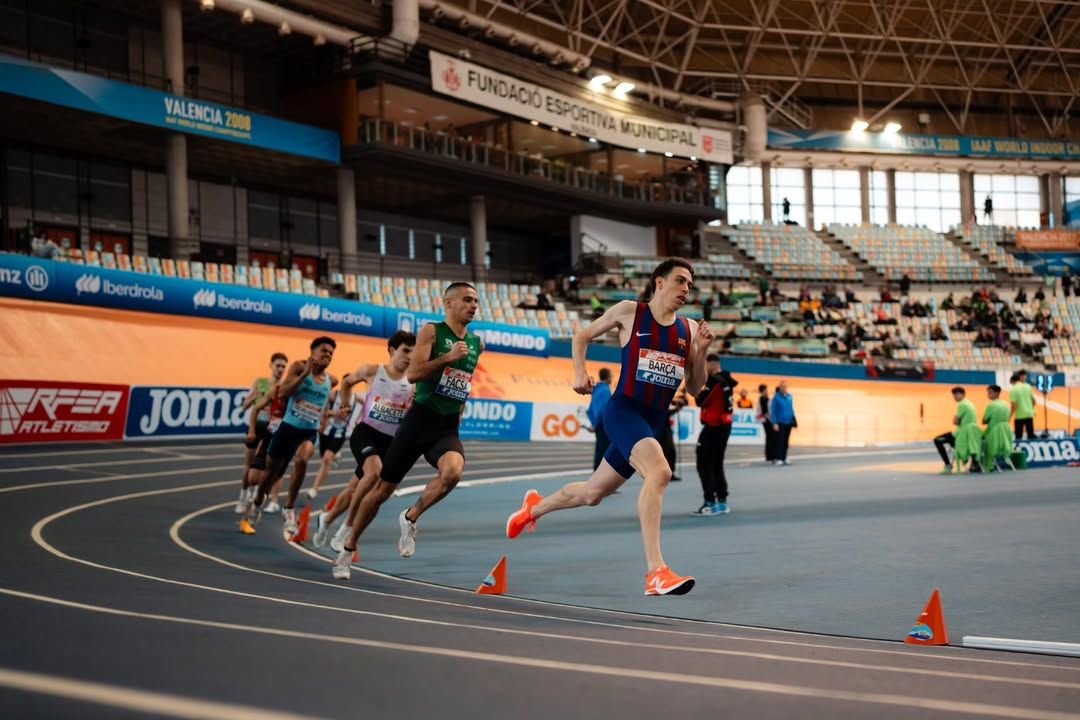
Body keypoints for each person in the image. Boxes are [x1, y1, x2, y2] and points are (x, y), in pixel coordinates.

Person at [507, 259, 714, 595]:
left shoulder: (689, 330)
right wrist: (578, 372)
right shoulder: (630, 312)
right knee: (659, 472)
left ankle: (534, 508)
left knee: (591, 494)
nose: (686, 290)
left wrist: (701, 352)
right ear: (659, 282)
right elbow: (581, 336)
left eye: (690, 285)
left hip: (652, 423)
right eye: (680, 281)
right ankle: (656, 572)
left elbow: (693, 387)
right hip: (623, 412)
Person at [332, 284, 484, 571]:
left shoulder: (478, 343)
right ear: (448, 303)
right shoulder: (432, 331)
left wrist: (458, 410)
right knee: (381, 492)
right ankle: (348, 549)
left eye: (476, 300)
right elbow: (413, 374)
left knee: (453, 473)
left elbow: (461, 383)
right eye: (467, 299)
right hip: (418, 422)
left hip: (446, 426)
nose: (473, 305)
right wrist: (447, 358)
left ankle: (411, 517)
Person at [312, 332, 416, 578]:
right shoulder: (372, 370)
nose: (409, 357)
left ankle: (326, 520)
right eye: (405, 351)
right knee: (373, 474)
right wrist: (346, 405)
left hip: (389, 442)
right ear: (391, 350)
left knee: (355, 489)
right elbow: (347, 382)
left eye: (413, 352)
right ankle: (346, 530)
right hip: (366, 433)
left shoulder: (414, 382)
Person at [241, 337, 337, 535]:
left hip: (308, 432)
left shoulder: (331, 380)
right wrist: (304, 375)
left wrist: (329, 415)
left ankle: (289, 508)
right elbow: (283, 393)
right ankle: (258, 502)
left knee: (302, 460)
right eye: (324, 350)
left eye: (331, 353)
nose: (328, 355)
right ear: (312, 352)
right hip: (287, 429)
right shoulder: (297, 367)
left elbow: (325, 400)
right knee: (269, 475)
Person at [234, 352, 288, 514]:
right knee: (249, 465)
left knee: (273, 467)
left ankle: (270, 500)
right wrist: (251, 399)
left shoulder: (286, 387)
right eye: (278, 365)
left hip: (274, 430)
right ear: (270, 366)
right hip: (257, 427)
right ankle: (243, 498)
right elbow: (244, 406)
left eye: (283, 367)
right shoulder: (260, 382)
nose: (280, 369)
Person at [693, 355, 736, 516]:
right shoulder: (727, 380)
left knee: (704, 464)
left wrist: (697, 388)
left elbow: (700, 400)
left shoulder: (716, 381)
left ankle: (710, 503)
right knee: (717, 463)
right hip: (724, 427)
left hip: (714, 427)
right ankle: (722, 502)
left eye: (706, 365)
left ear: (712, 364)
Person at [982, 385, 1015, 472]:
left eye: (990, 392)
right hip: (1005, 433)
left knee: (980, 442)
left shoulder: (991, 406)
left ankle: (985, 465)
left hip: (992, 434)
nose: (988, 394)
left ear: (997, 393)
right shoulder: (1006, 404)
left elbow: (984, 420)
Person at [586, 367, 613, 471]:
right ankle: (601, 478)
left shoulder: (596, 389)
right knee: (606, 451)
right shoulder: (606, 390)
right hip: (604, 424)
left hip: (598, 424)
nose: (612, 378)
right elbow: (604, 409)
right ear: (607, 377)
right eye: (611, 376)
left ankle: (597, 476)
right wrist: (596, 424)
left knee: (600, 450)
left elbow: (591, 409)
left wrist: (593, 423)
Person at [659, 391, 688, 482]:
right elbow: (665, 413)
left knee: (670, 452)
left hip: (665, 428)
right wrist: (677, 408)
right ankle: (665, 473)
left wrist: (677, 406)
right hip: (661, 429)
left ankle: (669, 473)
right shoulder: (659, 400)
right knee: (667, 452)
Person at [769, 381, 796, 465]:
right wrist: (775, 423)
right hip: (780, 422)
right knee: (780, 441)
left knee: (786, 441)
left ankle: (784, 457)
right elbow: (773, 411)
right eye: (782, 387)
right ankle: (779, 458)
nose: (784, 388)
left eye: (785, 387)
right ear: (780, 388)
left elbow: (791, 408)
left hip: (789, 422)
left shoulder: (790, 397)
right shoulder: (776, 398)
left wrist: (794, 419)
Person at [1009, 369, 1036, 440]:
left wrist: (1009, 416)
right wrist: (1032, 410)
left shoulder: (1013, 389)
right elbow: (1034, 401)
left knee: (1018, 436)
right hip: (1029, 414)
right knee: (1031, 435)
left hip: (1019, 415)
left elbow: (1014, 405)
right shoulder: (1028, 386)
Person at [757, 384, 775, 463]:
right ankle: (769, 456)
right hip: (766, 420)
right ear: (763, 391)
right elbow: (764, 411)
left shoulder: (766, 398)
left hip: (767, 419)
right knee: (770, 437)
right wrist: (766, 418)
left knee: (770, 437)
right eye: (766, 390)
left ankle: (769, 455)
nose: (767, 391)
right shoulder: (762, 399)